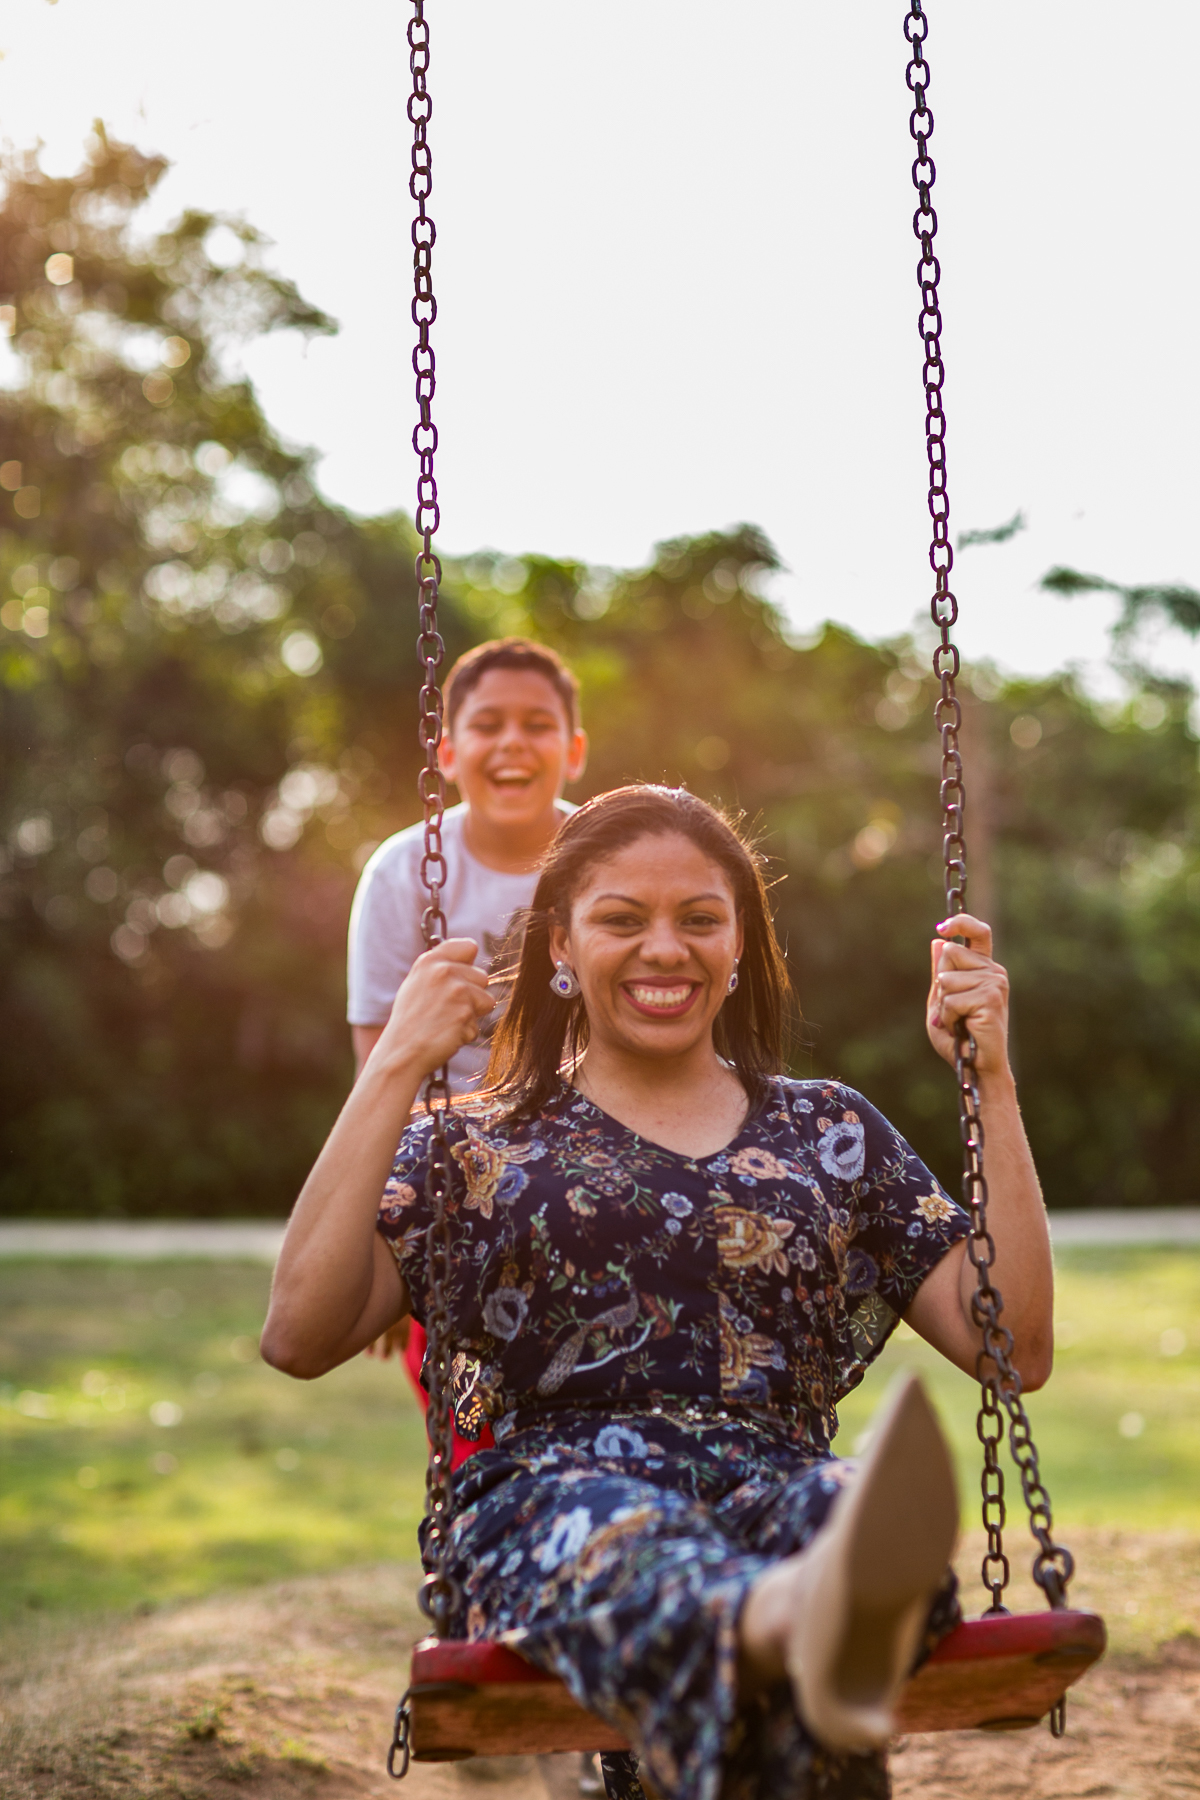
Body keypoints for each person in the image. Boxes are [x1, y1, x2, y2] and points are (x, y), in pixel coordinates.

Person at [264, 785, 1054, 1800]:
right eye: (621, 919)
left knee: (841, 1505)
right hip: (554, 1497)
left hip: (773, 1482)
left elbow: (1012, 1349)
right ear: (559, 944)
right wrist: (398, 1067)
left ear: (740, 947)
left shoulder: (829, 1133)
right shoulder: (475, 1141)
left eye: (699, 919)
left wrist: (991, 1078)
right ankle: (783, 1619)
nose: (664, 948)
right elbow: (297, 1331)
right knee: (638, 1544)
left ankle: (810, 1607)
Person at [347, 635, 588, 1462]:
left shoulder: (607, 862)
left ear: (574, 749)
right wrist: (381, 1233)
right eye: (487, 724)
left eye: (536, 723)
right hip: (452, 1181)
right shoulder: (405, 872)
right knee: (466, 1418)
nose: (513, 742)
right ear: (448, 752)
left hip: (587, 1162)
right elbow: (380, 1064)